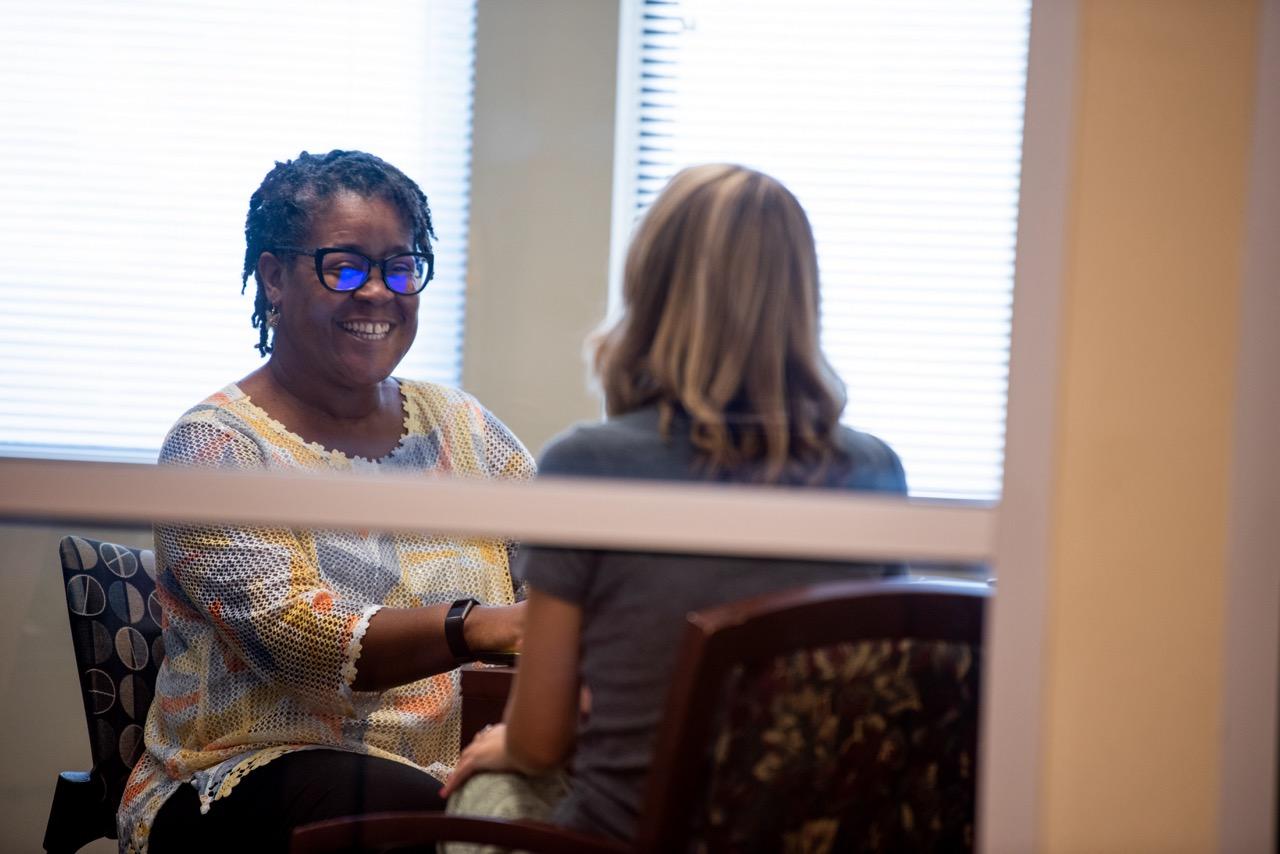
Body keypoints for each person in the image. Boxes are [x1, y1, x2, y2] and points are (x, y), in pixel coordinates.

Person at [440, 164, 908, 842]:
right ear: (801, 298)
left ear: (649, 290)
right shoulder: (875, 470)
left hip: (634, 840)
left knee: (489, 788)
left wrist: (506, 747)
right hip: (811, 836)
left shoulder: (589, 465)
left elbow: (540, 741)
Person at [118, 150, 535, 853]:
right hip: (248, 776)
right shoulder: (215, 446)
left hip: (447, 764)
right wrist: (481, 624)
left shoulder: (461, 427)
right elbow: (303, 643)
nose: (377, 292)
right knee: (435, 818)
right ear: (274, 276)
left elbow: (563, 571)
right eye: (343, 266)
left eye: (400, 267)